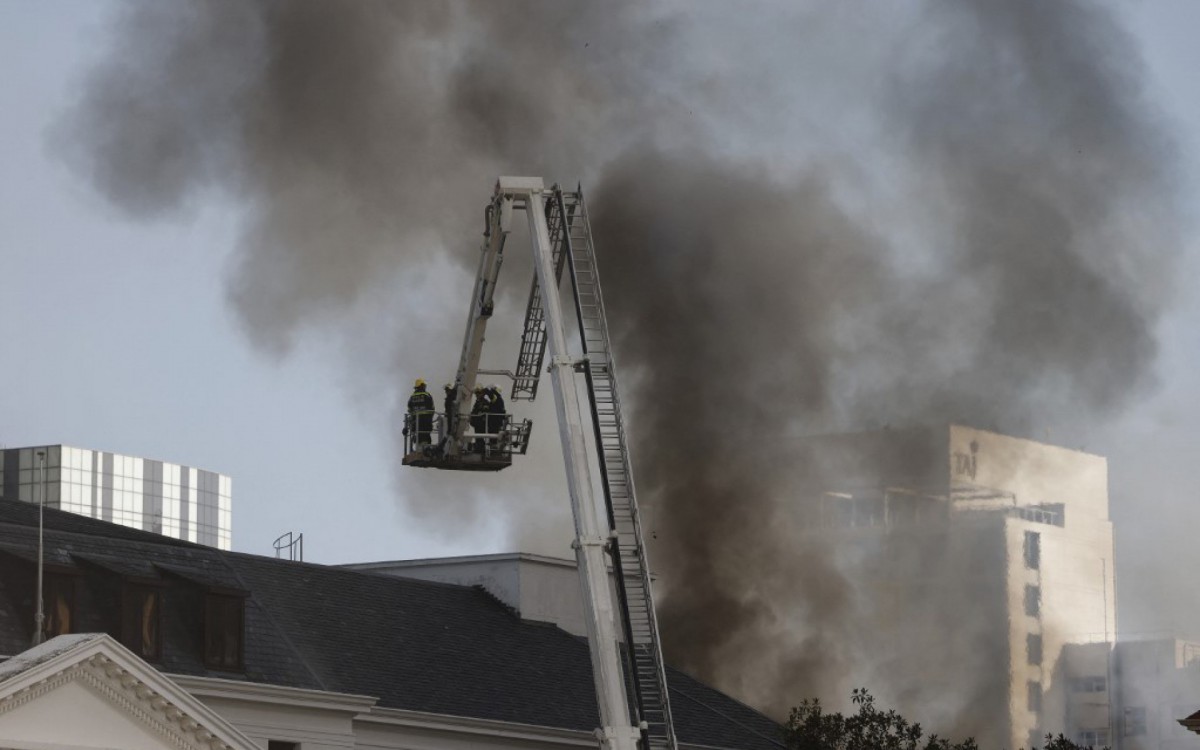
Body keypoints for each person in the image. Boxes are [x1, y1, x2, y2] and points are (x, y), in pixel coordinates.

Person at [406, 378, 435, 447]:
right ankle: (425, 448)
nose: (425, 386)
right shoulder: (427, 395)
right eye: (424, 385)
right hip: (426, 422)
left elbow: (409, 409)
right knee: (426, 438)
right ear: (421, 385)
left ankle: (420, 447)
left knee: (419, 437)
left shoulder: (412, 397)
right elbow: (432, 408)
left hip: (416, 422)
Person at [486, 385, 507, 450]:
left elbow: (491, 395)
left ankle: (493, 448)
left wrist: (486, 390)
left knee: (493, 436)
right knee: (493, 436)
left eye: (493, 390)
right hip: (496, 421)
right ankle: (493, 447)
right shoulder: (499, 399)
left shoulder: (496, 398)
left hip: (494, 421)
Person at [470, 386, 490, 453]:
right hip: (477, 423)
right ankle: (479, 447)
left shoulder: (485, 402)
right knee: (478, 437)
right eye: (476, 393)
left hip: (481, 423)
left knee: (480, 437)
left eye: (478, 393)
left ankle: (480, 449)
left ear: (482, 393)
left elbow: (485, 411)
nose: (477, 395)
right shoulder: (478, 402)